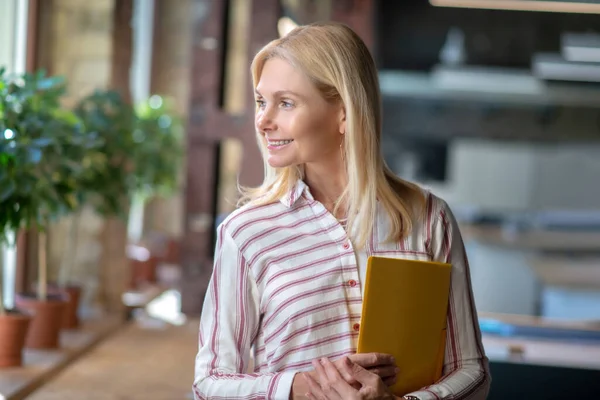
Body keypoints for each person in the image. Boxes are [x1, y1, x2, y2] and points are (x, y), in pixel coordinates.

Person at [193, 22, 490, 400]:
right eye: (260, 101)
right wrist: (298, 387)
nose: (264, 121)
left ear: (344, 113)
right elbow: (209, 382)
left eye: (285, 103)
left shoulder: (429, 219)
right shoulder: (245, 232)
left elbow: (472, 371)